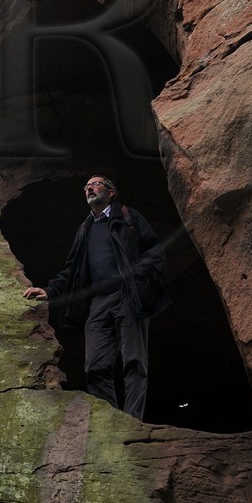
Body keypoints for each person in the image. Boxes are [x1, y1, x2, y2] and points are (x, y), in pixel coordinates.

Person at [23, 175, 169, 422]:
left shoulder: (127, 216)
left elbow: (155, 253)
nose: (90, 188)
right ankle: (111, 423)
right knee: (95, 367)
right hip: (98, 303)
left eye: (96, 184)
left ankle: (133, 422)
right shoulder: (85, 229)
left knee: (134, 362)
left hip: (128, 296)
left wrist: (138, 279)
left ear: (111, 192)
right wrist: (49, 290)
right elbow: (72, 269)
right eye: (86, 186)